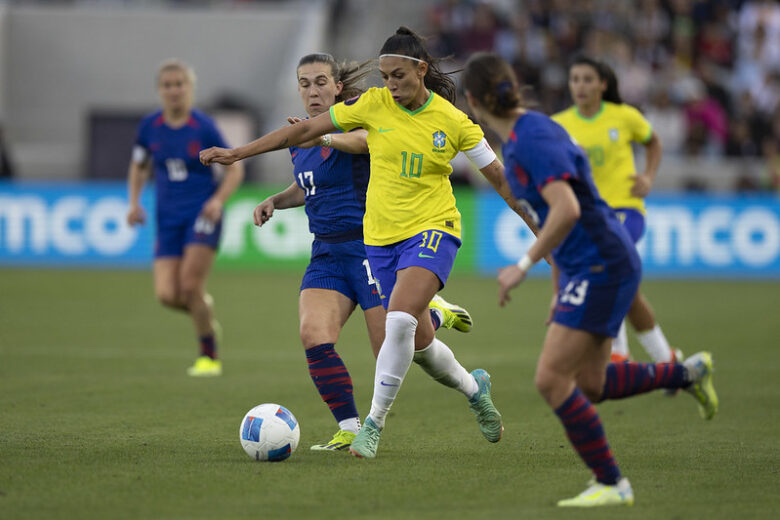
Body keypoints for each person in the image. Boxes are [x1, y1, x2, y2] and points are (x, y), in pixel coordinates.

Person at [201, 27, 529, 460]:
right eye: (385, 76)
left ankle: (370, 426)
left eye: (398, 76)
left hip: (434, 228)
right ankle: (474, 388)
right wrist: (236, 155)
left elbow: (501, 180)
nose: (391, 85)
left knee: (395, 325)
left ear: (421, 70)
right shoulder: (373, 104)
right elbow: (302, 139)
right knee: (419, 348)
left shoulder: (452, 121)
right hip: (378, 241)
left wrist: (541, 227)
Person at [462, 52, 718, 507]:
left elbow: (567, 209)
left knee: (551, 379)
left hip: (601, 261)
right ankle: (684, 372)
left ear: (472, 101)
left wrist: (522, 266)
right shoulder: (531, 133)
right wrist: (559, 290)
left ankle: (612, 482)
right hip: (592, 262)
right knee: (593, 384)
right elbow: (555, 217)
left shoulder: (531, 138)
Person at [252, 52, 474, 451]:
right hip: (326, 253)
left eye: (322, 82)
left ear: (338, 87)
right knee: (313, 335)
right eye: (305, 84)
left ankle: (434, 314)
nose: (313, 91)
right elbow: (307, 187)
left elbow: (363, 142)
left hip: (370, 248)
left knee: (399, 349)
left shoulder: (365, 118)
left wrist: (320, 135)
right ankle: (350, 426)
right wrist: (275, 199)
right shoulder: (300, 139)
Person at [552, 55, 681, 366]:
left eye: (587, 79)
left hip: (626, 209)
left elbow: (653, 143)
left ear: (602, 84)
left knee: (606, 266)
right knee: (627, 290)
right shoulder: (559, 124)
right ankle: (668, 362)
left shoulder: (624, 116)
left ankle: (619, 353)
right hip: (588, 216)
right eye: (575, 80)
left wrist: (648, 176)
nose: (580, 86)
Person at [127, 59, 244, 377]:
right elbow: (139, 166)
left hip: (201, 215)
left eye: (180, 84)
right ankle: (204, 312)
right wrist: (134, 203)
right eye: (168, 85)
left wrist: (218, 201)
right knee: (168, 295)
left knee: (190, 285)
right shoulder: (149, 127)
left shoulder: (203, 126)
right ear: (160, 90)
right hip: (167, 219)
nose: (174, 90)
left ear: (189, 89)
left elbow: (234, 167)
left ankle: (209, 355)